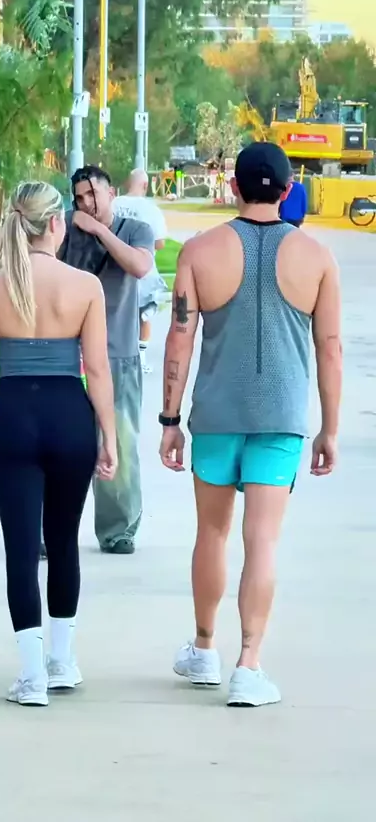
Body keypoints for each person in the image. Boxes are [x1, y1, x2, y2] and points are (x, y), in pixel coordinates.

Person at [159, 142, 342, 707]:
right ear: (288, 191)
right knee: (262, 539)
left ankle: (204, 648)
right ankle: (249, 664)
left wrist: (170, 419)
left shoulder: (199, 251)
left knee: (211, 533)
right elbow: (330, 349)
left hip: (216, 415)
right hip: (280, 419)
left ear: (233, 187)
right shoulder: (317, 257)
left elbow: (179, 339)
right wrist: (330, 429)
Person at [0, 181, 116, 707]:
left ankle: (31, 676)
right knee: (64, 539)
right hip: (69, 418)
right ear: (56, 224)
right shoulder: (85, 287)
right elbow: (97, 369)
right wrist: (109, 436)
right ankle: (62, 662)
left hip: (13, 417)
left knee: (21, 547)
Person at [59, 165, 154, 555]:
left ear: (111, 193)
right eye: (79, 198)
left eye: (92, 194)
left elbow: (140, 266)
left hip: (117, 354)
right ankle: (50, 529)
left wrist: (99, 230)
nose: (85, 204)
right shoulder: (63, 230)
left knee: (120, 444)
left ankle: (118, 529)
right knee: (59, 445)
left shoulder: (134, 230)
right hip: (65, 352)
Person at [113, 168, 168, 373]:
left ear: (128, 183)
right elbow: (160, 243)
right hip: (143, 272)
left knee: (115, 314)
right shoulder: (151, 209)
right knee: (144, 314)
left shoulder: (114, 204)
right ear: (145, 185)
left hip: (114, 268)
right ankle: (141, 359)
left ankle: (115, 356)